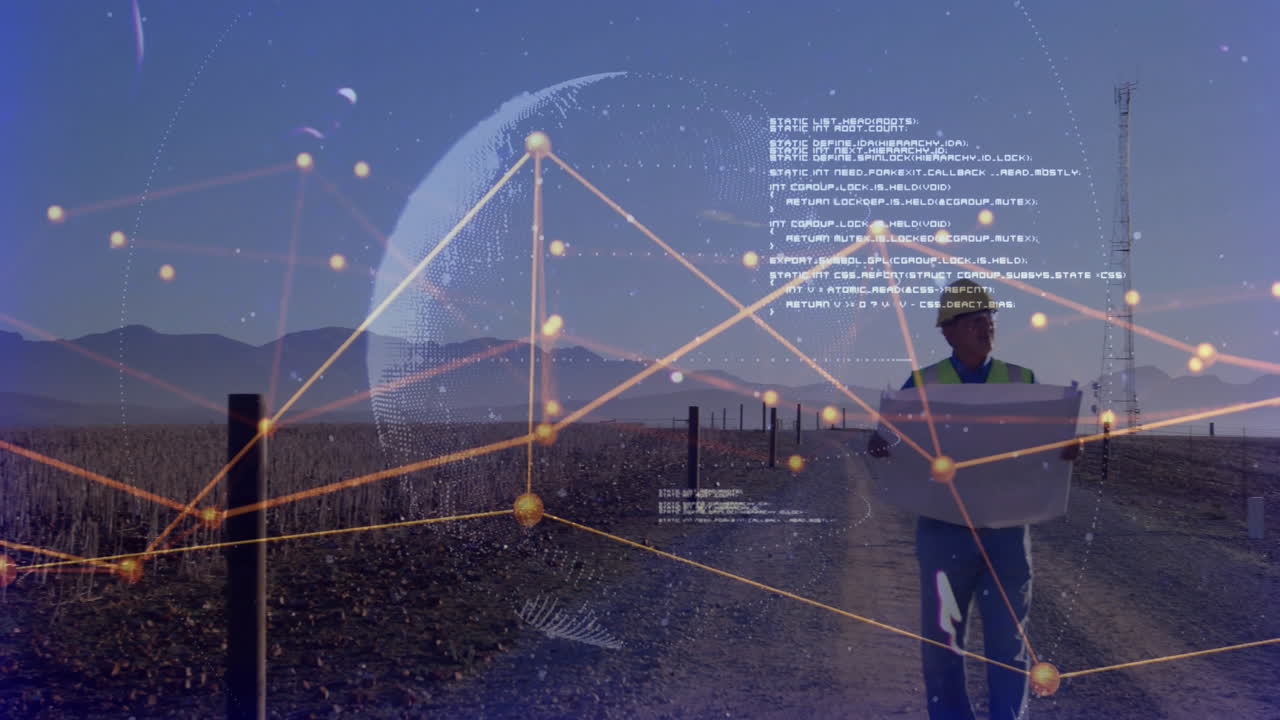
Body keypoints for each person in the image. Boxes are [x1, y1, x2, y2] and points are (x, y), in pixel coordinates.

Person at [867, 279, 1080, 720]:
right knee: (943, 646)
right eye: (974, 321)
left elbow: (1043, 446)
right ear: (948, 330)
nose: (986, 328)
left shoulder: (1023, 382)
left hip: (1006, 531)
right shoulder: (922, 384)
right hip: (944, 531)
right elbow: (895, 443)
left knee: (1009, 645)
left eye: (989, 319)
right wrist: (882, 446)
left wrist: (1064, 448)